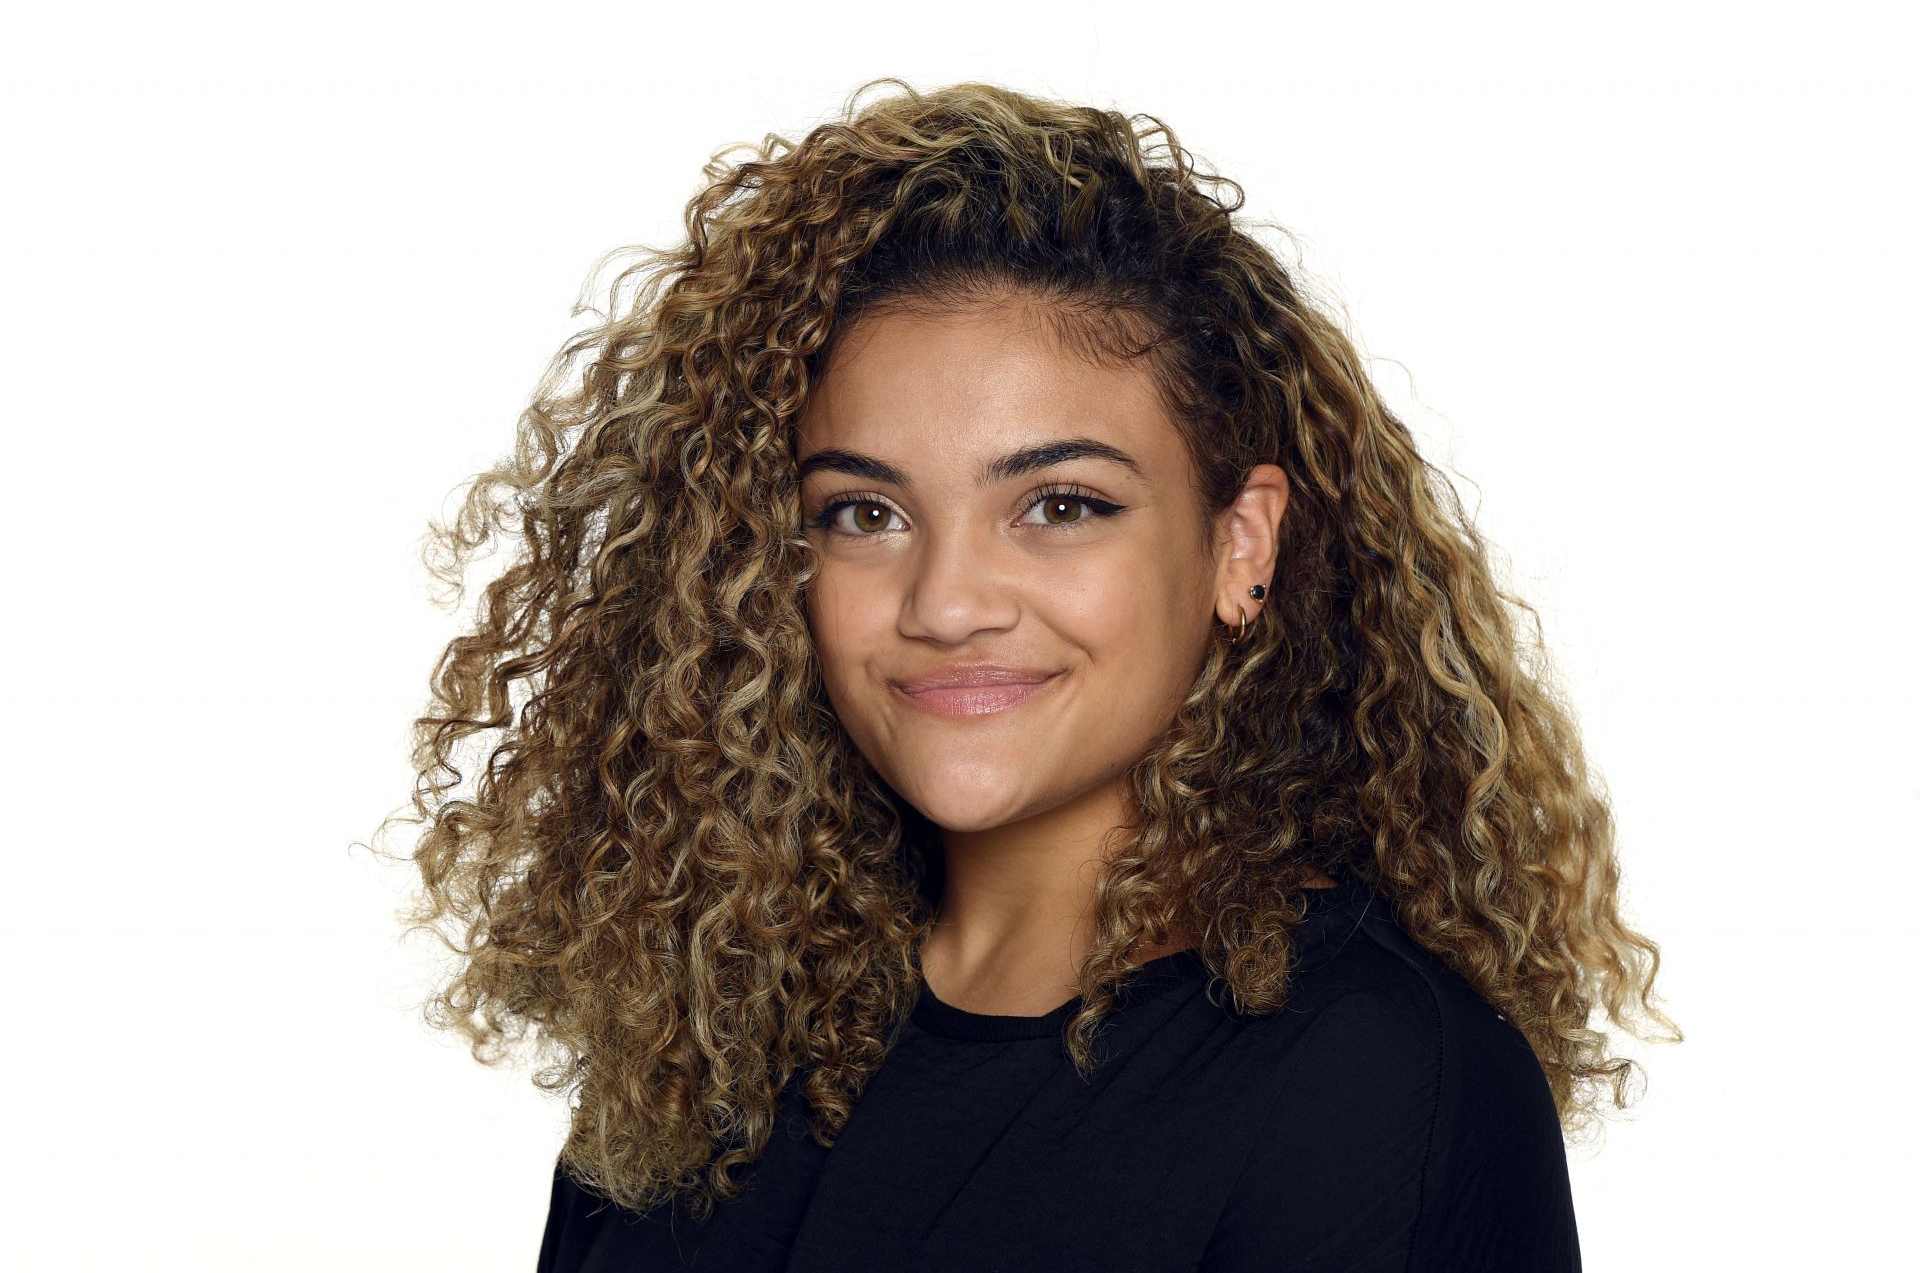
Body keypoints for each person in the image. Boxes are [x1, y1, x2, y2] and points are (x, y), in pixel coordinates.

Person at [391, 78, 1679, 1271]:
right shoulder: (715, 1034)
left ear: (1240, 543)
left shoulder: (1377, 1074)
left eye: (1060, 505)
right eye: (864, 513)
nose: (947, 603)